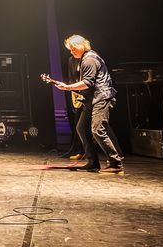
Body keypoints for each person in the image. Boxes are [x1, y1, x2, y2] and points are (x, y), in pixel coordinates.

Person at [50, 35, 124, 173]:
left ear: (82, 45)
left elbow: (87, 83)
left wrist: (67, 87)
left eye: (73, 49)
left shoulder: (89, 59)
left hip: (101, 97)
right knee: (81, 128)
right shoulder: (84, 59)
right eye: (70, 50)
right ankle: (92, 162)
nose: (72, 52)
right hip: (92, 99)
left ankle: (115, 163)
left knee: (97, 129)